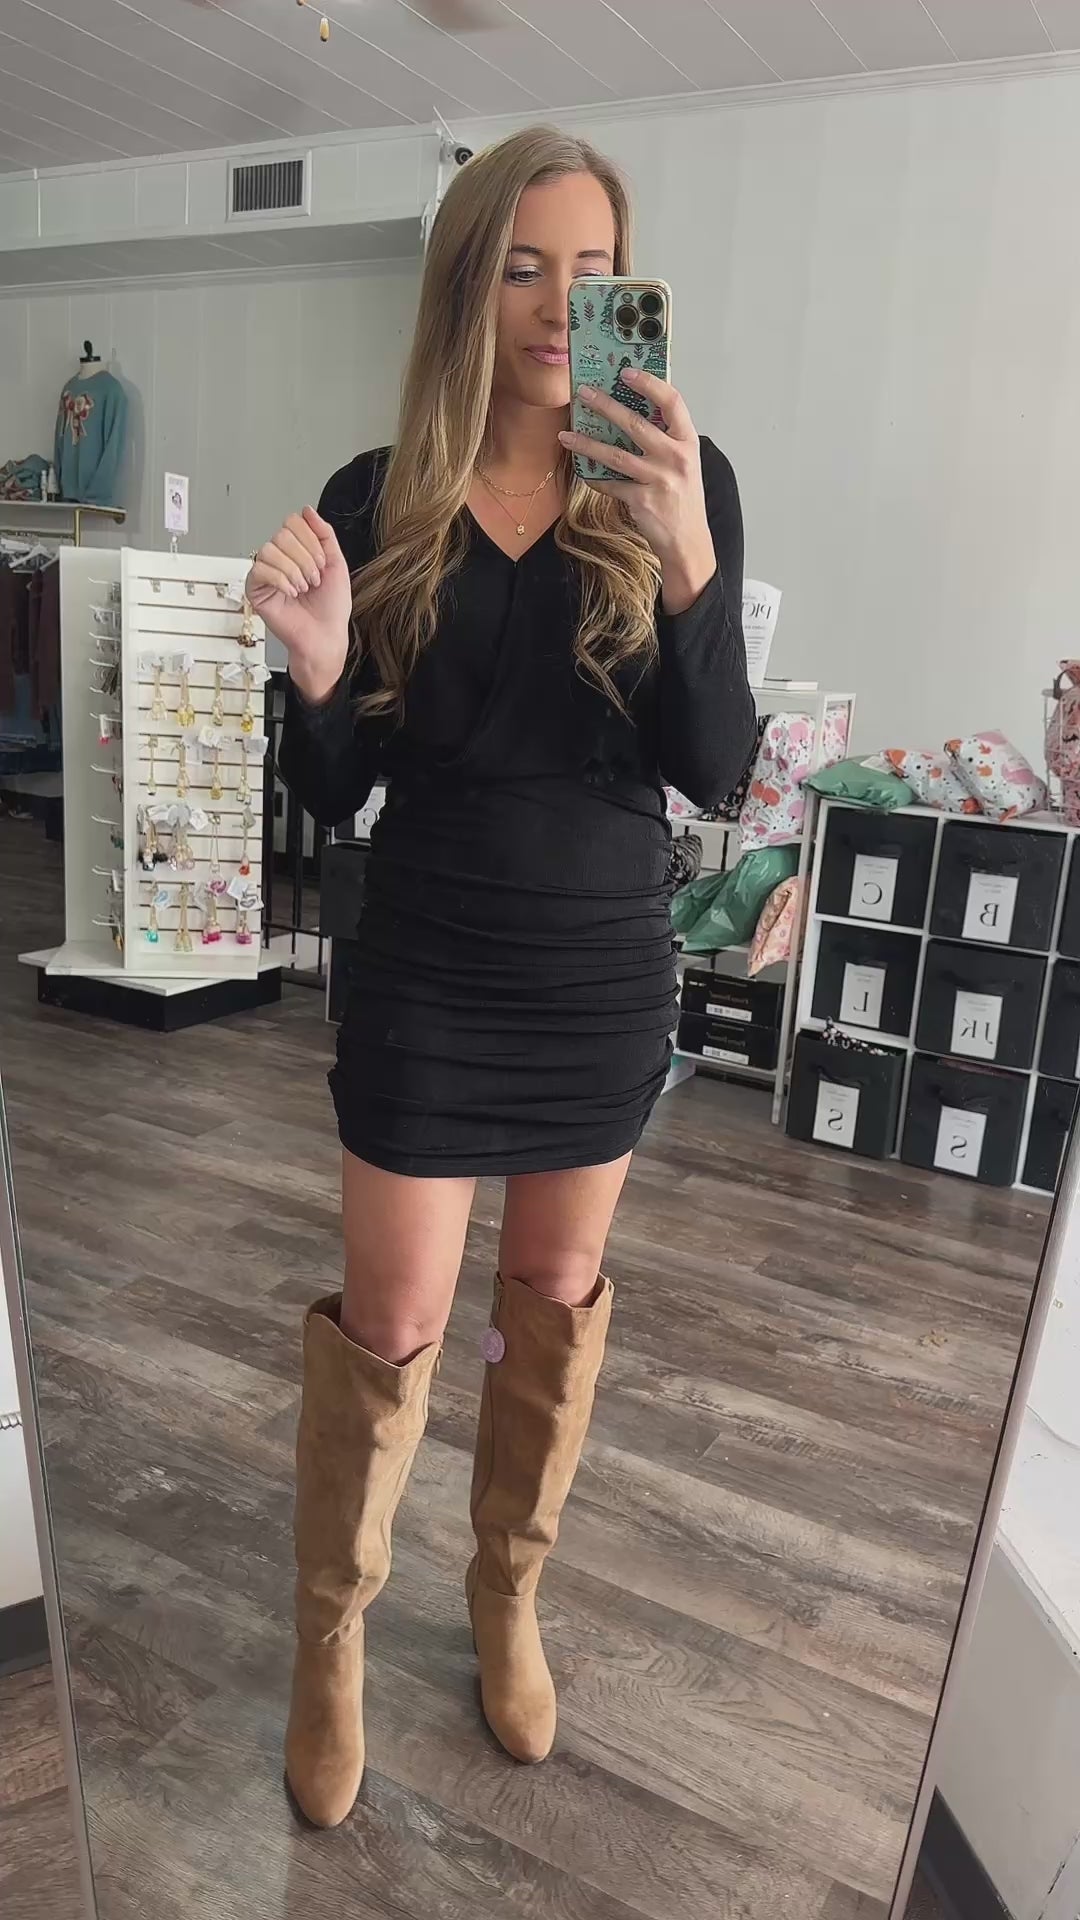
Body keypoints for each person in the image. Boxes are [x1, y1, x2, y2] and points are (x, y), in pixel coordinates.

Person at [248, 123, 756, 1831]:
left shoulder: (684, 478)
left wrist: (686, 557)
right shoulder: (373, 494)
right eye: (524, 268)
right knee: (393, 1327)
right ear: (468, 286)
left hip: (599, 971)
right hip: (430, 965)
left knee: (553, 1302)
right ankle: (333, 1635)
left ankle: (507, 1592)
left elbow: (715, 767)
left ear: (628, 294)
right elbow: (336, 791)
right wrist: (321, 672)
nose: (558, 305)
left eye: (593, 273)